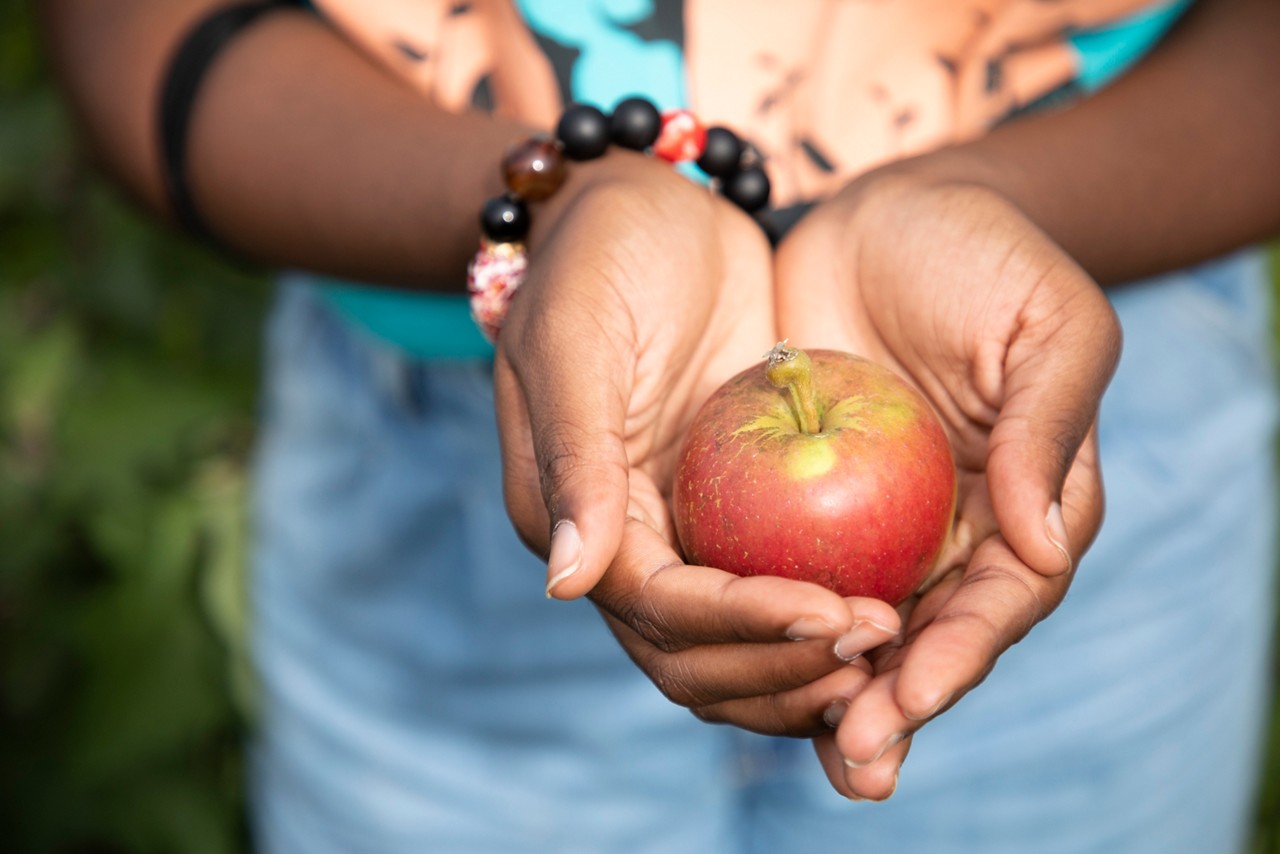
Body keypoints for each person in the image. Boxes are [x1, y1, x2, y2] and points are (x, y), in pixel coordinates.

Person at [40, 0, 1279, 851]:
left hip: (1027, 425)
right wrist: (552, 205)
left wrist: (1002, 194)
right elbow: (133, 31)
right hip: (435, 482)